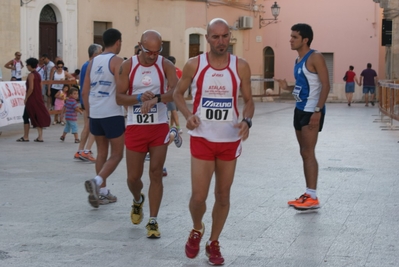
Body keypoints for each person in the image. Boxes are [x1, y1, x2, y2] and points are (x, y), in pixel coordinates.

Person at [173, 18, 254, 265]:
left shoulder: (240, 66)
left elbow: (249, 100)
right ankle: (197, 228)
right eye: (215, 37)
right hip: (203, 137)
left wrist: (247, 121)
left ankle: (214, 242)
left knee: (223, 195)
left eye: (225, 36)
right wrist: (187, 116)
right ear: (207, 38)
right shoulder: (194, 65)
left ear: (230, 37)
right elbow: (177, 93)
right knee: (199, 197)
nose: (221, 41)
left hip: (229, 139)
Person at [116, 30, 181, 239]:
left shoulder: (165, 65)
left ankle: (153, 220)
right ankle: (137, 200)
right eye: (148, 51)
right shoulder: (128, 66)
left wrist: (158, 98)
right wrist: (137, 98)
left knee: (155, 173)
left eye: (157, 51)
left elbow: (177, 92)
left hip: (158, 126)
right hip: (135, 126)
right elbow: (118, 98)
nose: (153, 56)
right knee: (133, 178)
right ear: (139, 46)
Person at [276, 23, 330, 211]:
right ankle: (308, 193)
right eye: (291, 36)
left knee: (308, 152)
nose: (290, 40)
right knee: (303, 152)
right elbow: (301, 87)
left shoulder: (315, 57)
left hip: (311, 111)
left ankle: (313, 196)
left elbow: (325, 85)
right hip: (299, 109)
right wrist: (287, 88)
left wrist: (317, 110)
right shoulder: (298, 59)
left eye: (294, 37)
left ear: (305, 39)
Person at [82, 28, 125, 208]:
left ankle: (103, 192)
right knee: (117, 154)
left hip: (96, 113)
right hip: (112, 112)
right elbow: (123, 89)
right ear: (117, 42)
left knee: (101, 152)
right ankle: (97, 182)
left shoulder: (93, 62)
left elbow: (84, 90)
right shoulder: (117, 61)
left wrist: (89, 112)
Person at [74, 44, 103, 162]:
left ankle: (80, 150)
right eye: (101, 52)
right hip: (91, 99)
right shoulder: (91, 65)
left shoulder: (85, 65)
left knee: (87, 125)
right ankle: (87, 151)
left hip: (86, 99)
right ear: (95, 54)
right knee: (94, 127)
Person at [16, 57, 51, 142]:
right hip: (38, 97)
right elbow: (40, 86)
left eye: (27, 65)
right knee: (37, 116)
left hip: (32, 99)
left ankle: (26, 136)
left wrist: (26, 98)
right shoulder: (38, 75)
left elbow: (31, 88)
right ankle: (40, 136)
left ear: (30, 65)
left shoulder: (31, 75)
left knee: (25, 116)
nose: (27, 66)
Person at [167, 56, 183, 133]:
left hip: (170, 94)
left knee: (173, 111)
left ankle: (178, 127)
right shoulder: (179, 70)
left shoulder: (168, 71)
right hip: (177, 94)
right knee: (173, 111)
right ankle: (171, 126)